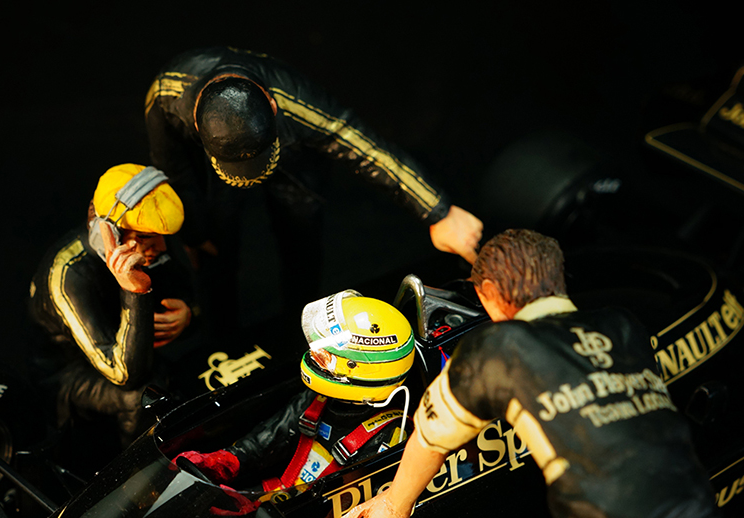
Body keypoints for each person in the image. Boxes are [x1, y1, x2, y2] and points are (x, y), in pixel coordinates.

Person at [339, 229, 724, 518]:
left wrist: (394, 506)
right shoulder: (623, 324)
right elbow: (617, 433)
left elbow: (431, 437)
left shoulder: (497, 349)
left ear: (488, 292)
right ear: (558, 278)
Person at [145, 46, 484, 323]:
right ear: (196, 124)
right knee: (211, 244)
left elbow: (360, 144)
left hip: (294, 158)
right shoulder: (165, 96)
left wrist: (436, 210)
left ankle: (304, 320)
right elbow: (174, 168)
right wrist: (193, 232)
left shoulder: (296, 99)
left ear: (273, 105)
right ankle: (218, 330)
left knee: (301, 240)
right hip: (215, 168)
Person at [174, 290, 414, 492]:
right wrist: (229, 460)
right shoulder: (321, 399)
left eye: (327, 355)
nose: (316, 353)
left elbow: (346, 509)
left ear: (359, 368)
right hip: (283, 496)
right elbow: (275, 434)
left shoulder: (391, 438)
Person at [29, 164, 194, 448]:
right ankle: (138, 471)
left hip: (123, 350)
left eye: (160, 235)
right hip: (68, 373)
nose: (161, 247)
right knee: (143, 395)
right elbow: (124, 375)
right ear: (110, 234)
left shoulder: (150, 244)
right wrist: (135, 292)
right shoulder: (68, 277)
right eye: (145, 236)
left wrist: (188, 315)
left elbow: (188, 294)